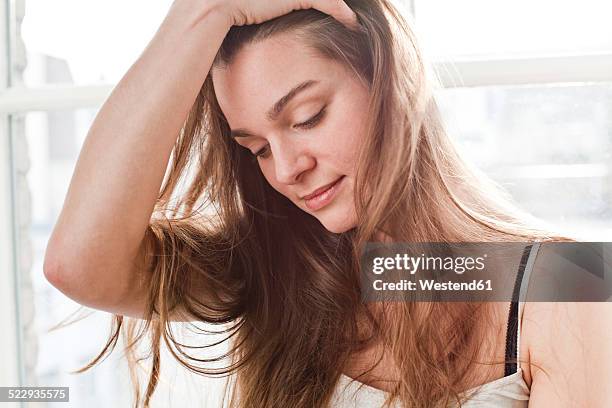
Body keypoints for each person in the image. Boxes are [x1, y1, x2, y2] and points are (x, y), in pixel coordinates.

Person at [43, 0, 612, 407]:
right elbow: (78, 266)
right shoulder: (279, 270)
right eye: (257, 148)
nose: (287, 168)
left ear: (392, 79)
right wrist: (198, 13)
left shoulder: (569, 286)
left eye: (307, 117)